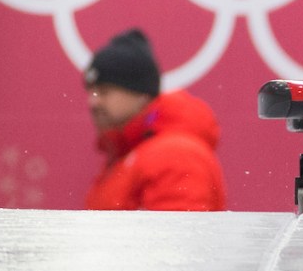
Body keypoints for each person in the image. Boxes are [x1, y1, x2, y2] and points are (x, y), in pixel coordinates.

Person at [83, 28, 227, 211]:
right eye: (91, 91)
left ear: (141, 94)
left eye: (105, 92)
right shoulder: (127, 155)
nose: (93, 102)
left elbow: (179, 238)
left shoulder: (174, 154)